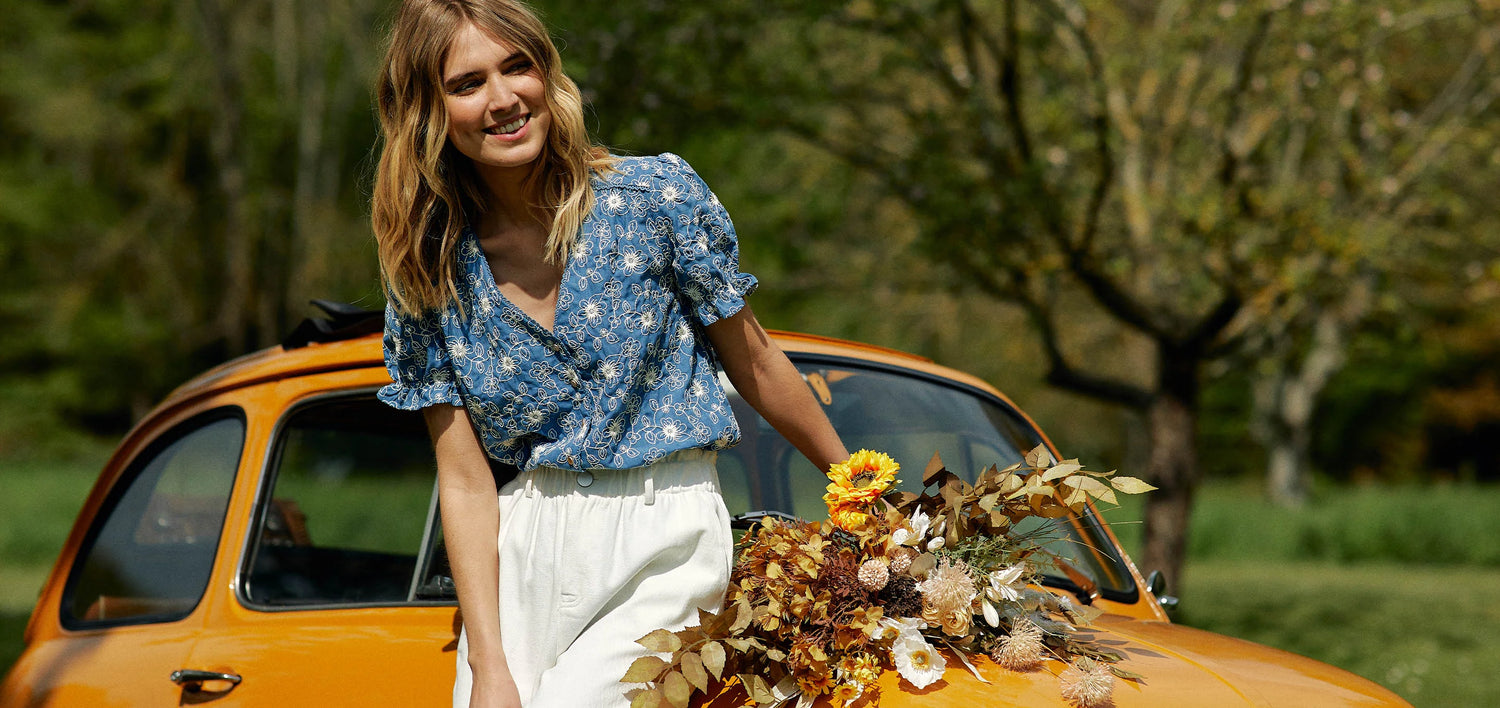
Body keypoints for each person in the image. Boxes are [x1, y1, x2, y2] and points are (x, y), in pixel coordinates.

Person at [370, 1, 849, 706]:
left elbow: (754, 360)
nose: (503, 99)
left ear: (545, 73)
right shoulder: (428, 266)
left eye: (517, 67)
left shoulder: (654, 199)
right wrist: (491, 666)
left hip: (667, 535)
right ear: (426, 111)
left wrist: (865, 497)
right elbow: (466, 480)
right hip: (522, 553)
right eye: (467, 83)